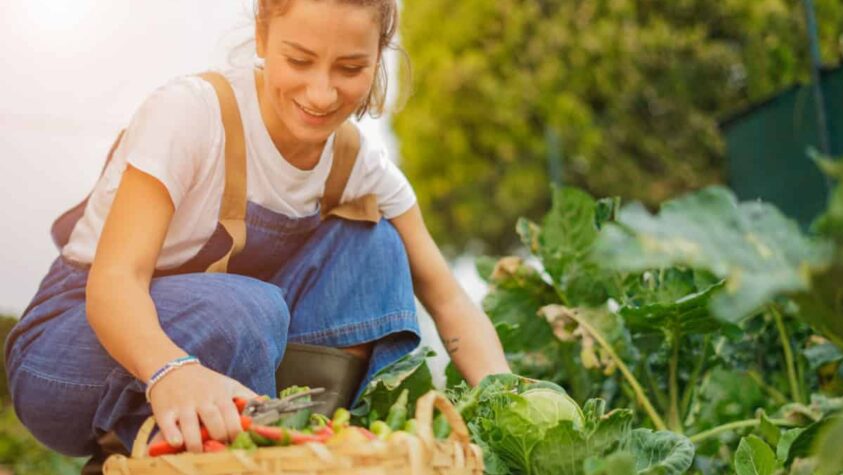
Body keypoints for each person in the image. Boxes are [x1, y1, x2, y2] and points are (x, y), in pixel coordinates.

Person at [3, 0, 510, 460]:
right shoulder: (192, 114)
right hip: (69, 353)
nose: (321, 92)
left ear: (379, 56)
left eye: (351, 68)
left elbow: (449, 301)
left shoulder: (359, 164)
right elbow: (113, 284)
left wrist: (513, 411)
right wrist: (169, 371)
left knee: (376, 245)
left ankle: (296, 448)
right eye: (299, 60)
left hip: (230, 341)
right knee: (248, 309)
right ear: (264, 38)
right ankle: (140, 443)